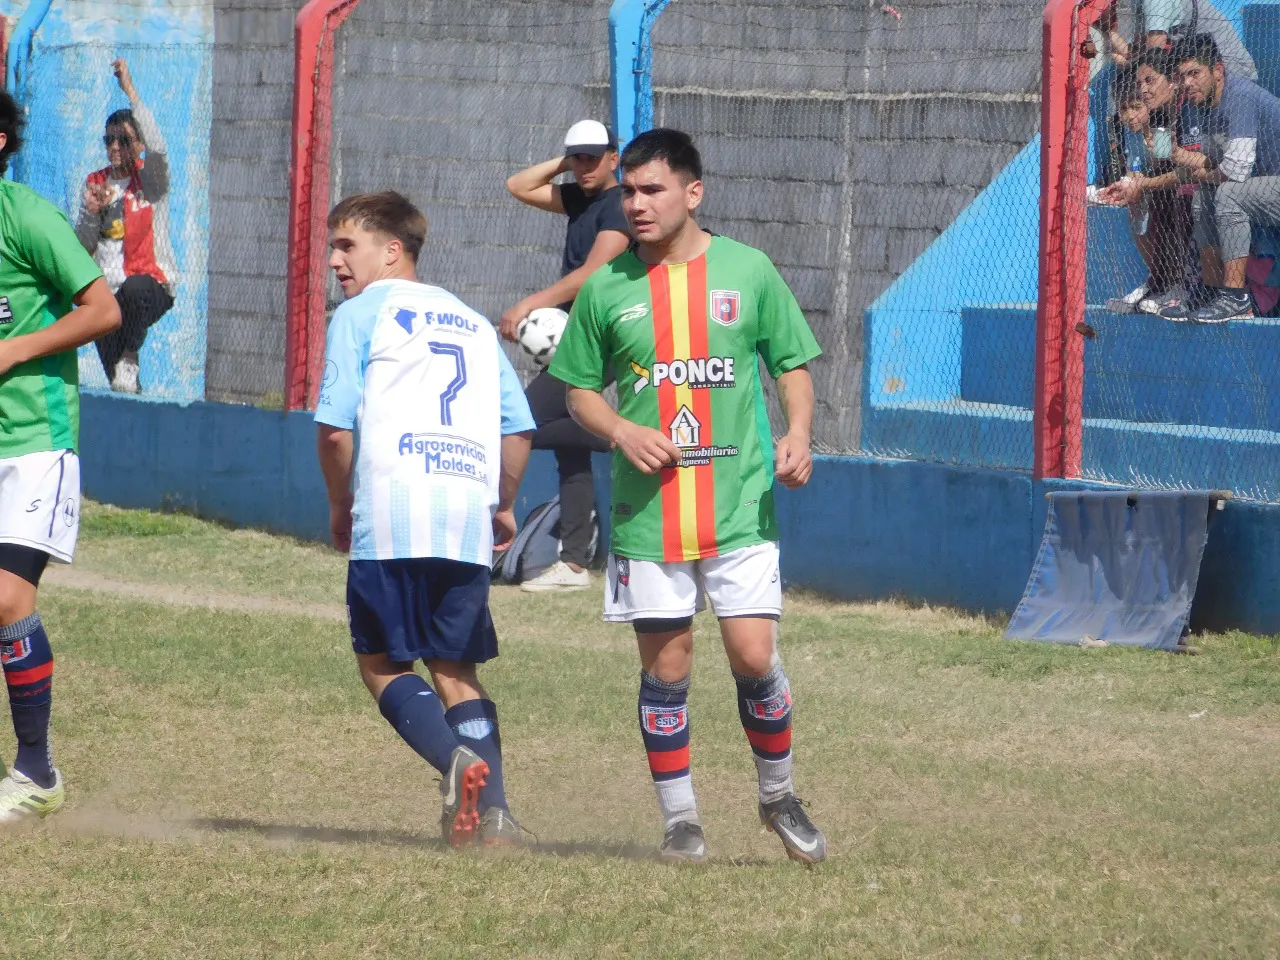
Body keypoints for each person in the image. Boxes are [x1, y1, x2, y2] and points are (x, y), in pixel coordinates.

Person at [550, 128, 827, 864]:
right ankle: (680, 821)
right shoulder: (608, 287)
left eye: (652, 191)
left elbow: (791, 363)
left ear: (692, 193)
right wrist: (618, 431)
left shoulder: (749, 270)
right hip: (649, 517)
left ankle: (778, 796)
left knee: (753, 654)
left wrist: (798, 431)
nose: (636, 205)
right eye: (629, 193)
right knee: (666, 672)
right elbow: (578, 388)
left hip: (740, 504)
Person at [314, 191, 535, 846]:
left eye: (346, 245)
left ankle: (454, 761)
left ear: (391, 251)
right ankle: (494, 813)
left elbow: (333, 431)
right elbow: (518, 427)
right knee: (455, 669)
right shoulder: (468, 319)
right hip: (463, 514)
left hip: (391, 508)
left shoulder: (362, 315)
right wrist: (501, 502)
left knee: (381, 663)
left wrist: (337, 501)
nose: (333, 260)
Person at [0, 91, 122, 821]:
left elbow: (102, 310)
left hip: (34, 443)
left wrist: (15, 348)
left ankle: (36, 772)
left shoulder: (27, 216)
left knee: (8, 598)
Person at [501, 120, 631, 592]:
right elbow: (518, 186)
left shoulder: (619, 205)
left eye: (594, 157)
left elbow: (593, 275)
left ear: (615, 158)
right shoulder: (580, 196)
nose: (584, 166)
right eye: (578, 157)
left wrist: (528, 304)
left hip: (600, 337)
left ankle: (613, 436)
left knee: (520, 423)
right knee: (569, 452)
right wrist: (568, 159)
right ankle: (574, 564)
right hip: (575, 337)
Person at [1158, 34, 1280, 323]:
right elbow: (1217, 164)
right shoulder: (1203, 104)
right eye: (1182, 75)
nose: (1187, 83)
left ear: (1218, 70)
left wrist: (1204, 170)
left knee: (1227, 194)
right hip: (1267, 183)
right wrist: (1204, 170)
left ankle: (1236, 298)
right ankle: (1209, 291)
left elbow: (1233, 172)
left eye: (1195, 73)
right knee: (1204, 196)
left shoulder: (1239, 97)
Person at [75, 58, 176, 394]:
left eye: (123, 139)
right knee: (120, 385)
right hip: (107, 295)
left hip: (150, 288)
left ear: (138, 143)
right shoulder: (94, 182)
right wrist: (93, 213)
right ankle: (131, 391)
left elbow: (159, 147)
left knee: (134, 293)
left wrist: (131, 91)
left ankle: (131, 352)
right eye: (109, 140)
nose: (115, 147)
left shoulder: (151, 182)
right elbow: (84, 246)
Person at [1099, 52, 1197, 314]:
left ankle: (1179, 284)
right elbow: (1161, 162)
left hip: (1201, 183)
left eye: (1149, 81)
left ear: (1172, 81)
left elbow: (1179, 170)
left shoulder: (1188, 110)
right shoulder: (1160, 117)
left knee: (1168, 197)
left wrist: (1144, 183)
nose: (1144, 89)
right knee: (1147, 198)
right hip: (1179, 181)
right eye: (1140, 83)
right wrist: (1134, 183)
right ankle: (1159, 281)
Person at [1102, 0, 1256, 80]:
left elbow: (1154, 57)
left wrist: (1128, 61)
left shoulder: (1155, 2)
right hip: (1197, 68)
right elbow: (1138, 52)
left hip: (1228, 70)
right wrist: (1108, 32)